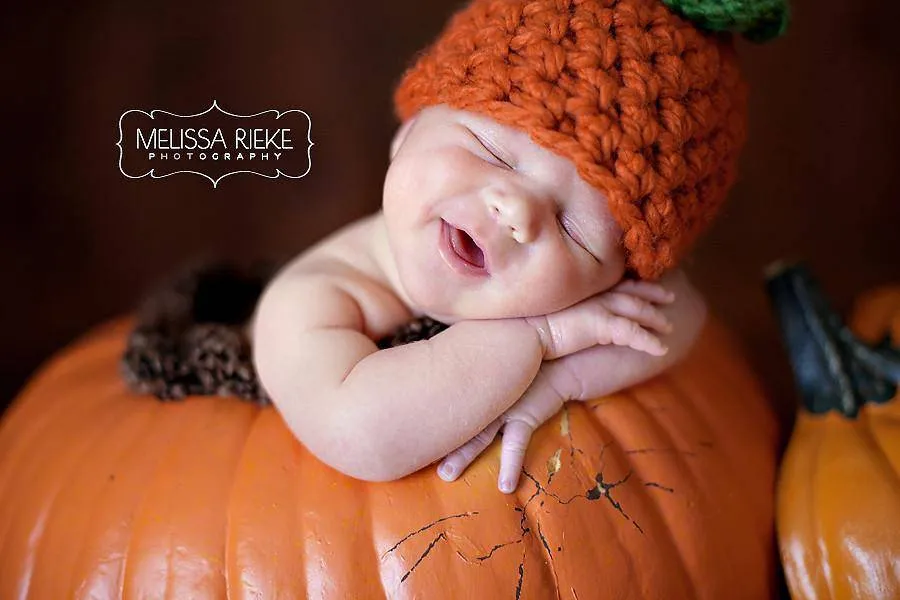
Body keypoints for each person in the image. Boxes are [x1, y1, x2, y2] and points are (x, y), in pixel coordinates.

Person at [251, 0, 788, 493]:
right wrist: (540, 336)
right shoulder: (309, 300)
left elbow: (679, 315)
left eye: (573, 229)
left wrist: (561, 380)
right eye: (491, 152)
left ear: (622, 278)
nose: (518, 211)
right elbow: (361, 432)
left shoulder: (598, 290)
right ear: (409, 131)